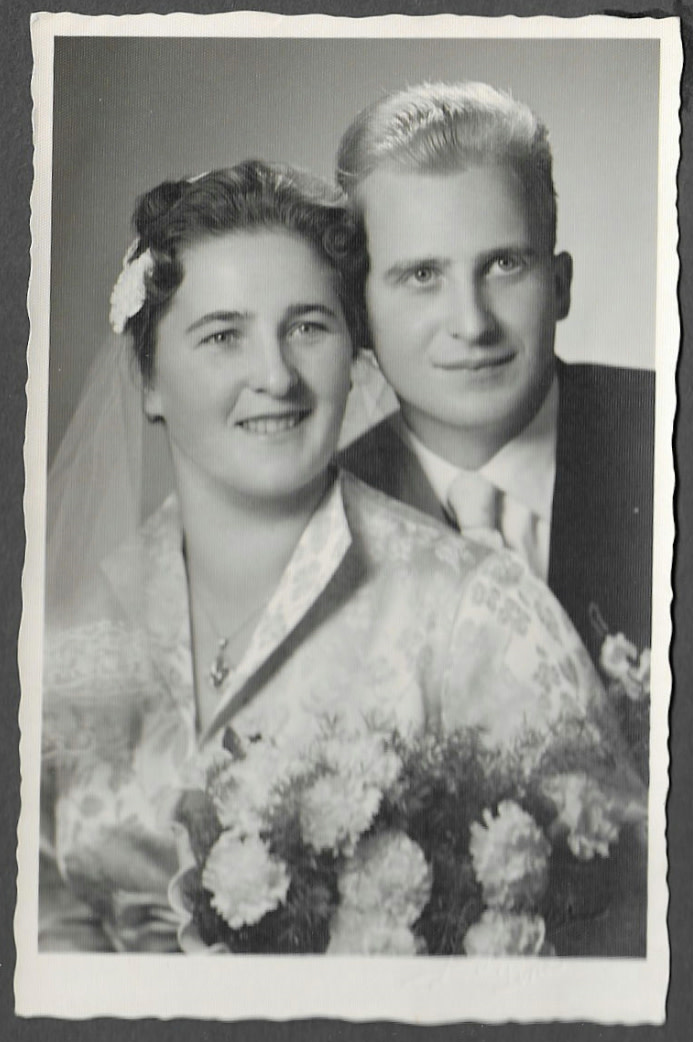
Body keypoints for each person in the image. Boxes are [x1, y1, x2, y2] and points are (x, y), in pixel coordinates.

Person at [40, 161, 644, 956]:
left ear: (353, 353)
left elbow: (624, 925)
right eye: (222, 335)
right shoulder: (78, 635)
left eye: (307, 327)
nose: (275, 375)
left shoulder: (484, 614)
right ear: (149, 379)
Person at [336, 82, 655, 671]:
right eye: (423, 275)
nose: (472, 324)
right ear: (359, 313)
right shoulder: (325, 522)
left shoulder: (666, 436)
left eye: (505, 265)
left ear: (559, 285)